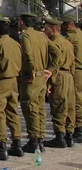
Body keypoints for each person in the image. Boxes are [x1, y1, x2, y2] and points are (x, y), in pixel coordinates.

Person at [19, 13, 60, 153]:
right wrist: (51, 70)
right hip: (42, 77)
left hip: (32, 77)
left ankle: (34, 140)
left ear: (23, 23)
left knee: (30, 108)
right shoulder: (42, 36)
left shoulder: (26, 36)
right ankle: (40, 138)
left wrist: (31, 71)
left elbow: (28, 55)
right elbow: (57, 52)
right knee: (40, 108)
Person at [0, 18, 24, 160]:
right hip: (14, 80)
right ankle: (17, 142)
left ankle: (1, 145)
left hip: (0, 81)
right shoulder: (16, 44)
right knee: (13, 111)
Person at [44, 18, 76, 148]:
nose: (45, 31)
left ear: (52, 29)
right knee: (69, 106)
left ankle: (59, 136)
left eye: (46, 28)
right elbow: (73, 62)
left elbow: (54, 64)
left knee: (58, 105)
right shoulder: (67, 42)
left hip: (59, 76)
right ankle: (69, 135)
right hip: (69, 76)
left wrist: (49, 83)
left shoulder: (54, 43)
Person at [61, 16, 82, 143]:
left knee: (77, 101)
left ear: (68, 26)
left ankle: (78, 129)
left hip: (77, 71)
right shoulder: (80, 34)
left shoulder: (70, 38)